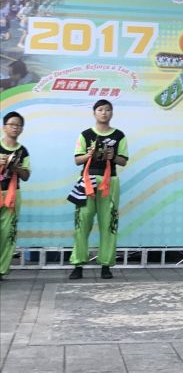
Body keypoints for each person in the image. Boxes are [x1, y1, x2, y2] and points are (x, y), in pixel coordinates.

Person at [69, 99, 128, 280]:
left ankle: (106, 265)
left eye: (108, 109)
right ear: (94, 112)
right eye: (100, 109)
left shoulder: (119, 135)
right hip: (88, 181)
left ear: (112, 113)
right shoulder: (85, 134)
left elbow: (123, 161)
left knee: (108, 224)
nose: (104, 112)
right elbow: (77, 160)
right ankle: (78, 264)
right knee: (82, 223)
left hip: (110, 182)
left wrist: (112, 156)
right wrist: (88, 154)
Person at [0, 111, 31, 280]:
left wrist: (15, 167)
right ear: (4, 127)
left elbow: (26, 176)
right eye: (12, 124)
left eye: (18, 125)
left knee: (7, 234)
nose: (15, 128)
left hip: (12, 195)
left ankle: (1, 270)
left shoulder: (22, 151)